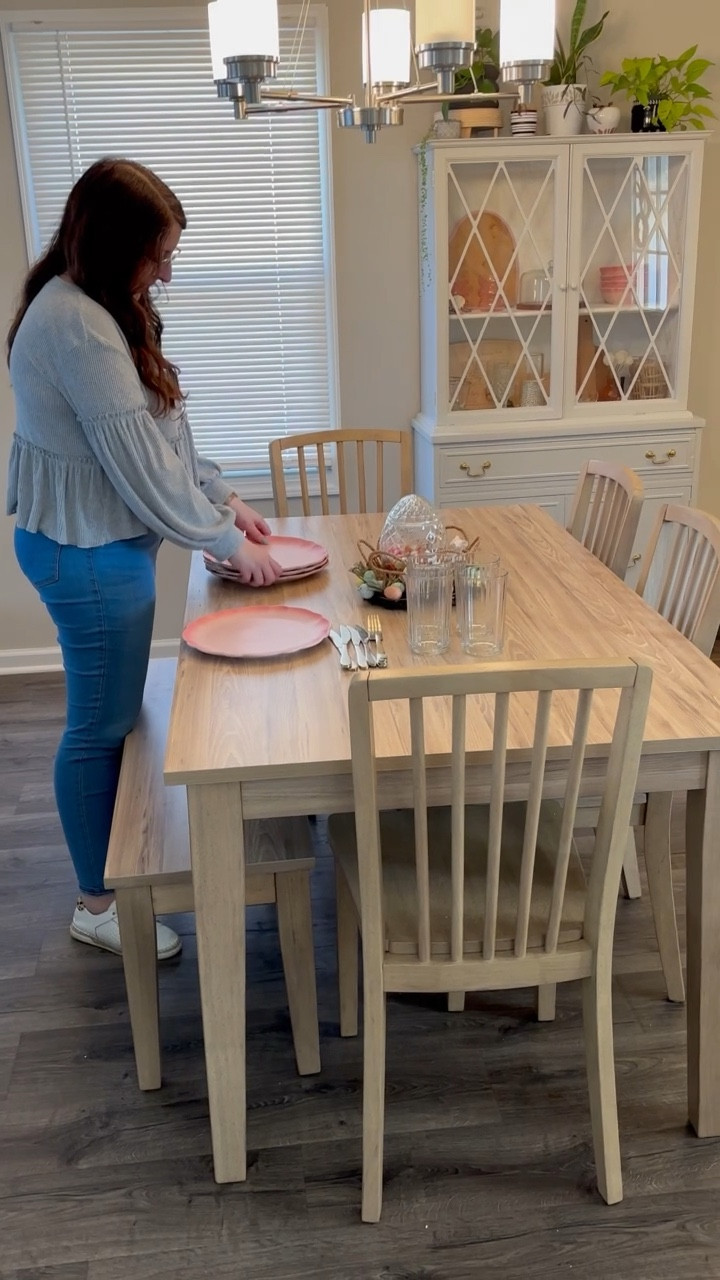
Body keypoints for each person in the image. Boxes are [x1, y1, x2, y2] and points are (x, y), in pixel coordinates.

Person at [6, 157, 282, 959]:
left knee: (117, 718)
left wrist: (224, 501)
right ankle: (98, 903)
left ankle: (111, 877)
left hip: (102, 549)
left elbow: (163, 433)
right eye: (156, 253)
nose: (166, 269)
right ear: (112, 242)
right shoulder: (73, 325)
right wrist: (222, 542)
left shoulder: (105, 302)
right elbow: (135, 462)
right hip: (86, 558)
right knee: (100, 728)